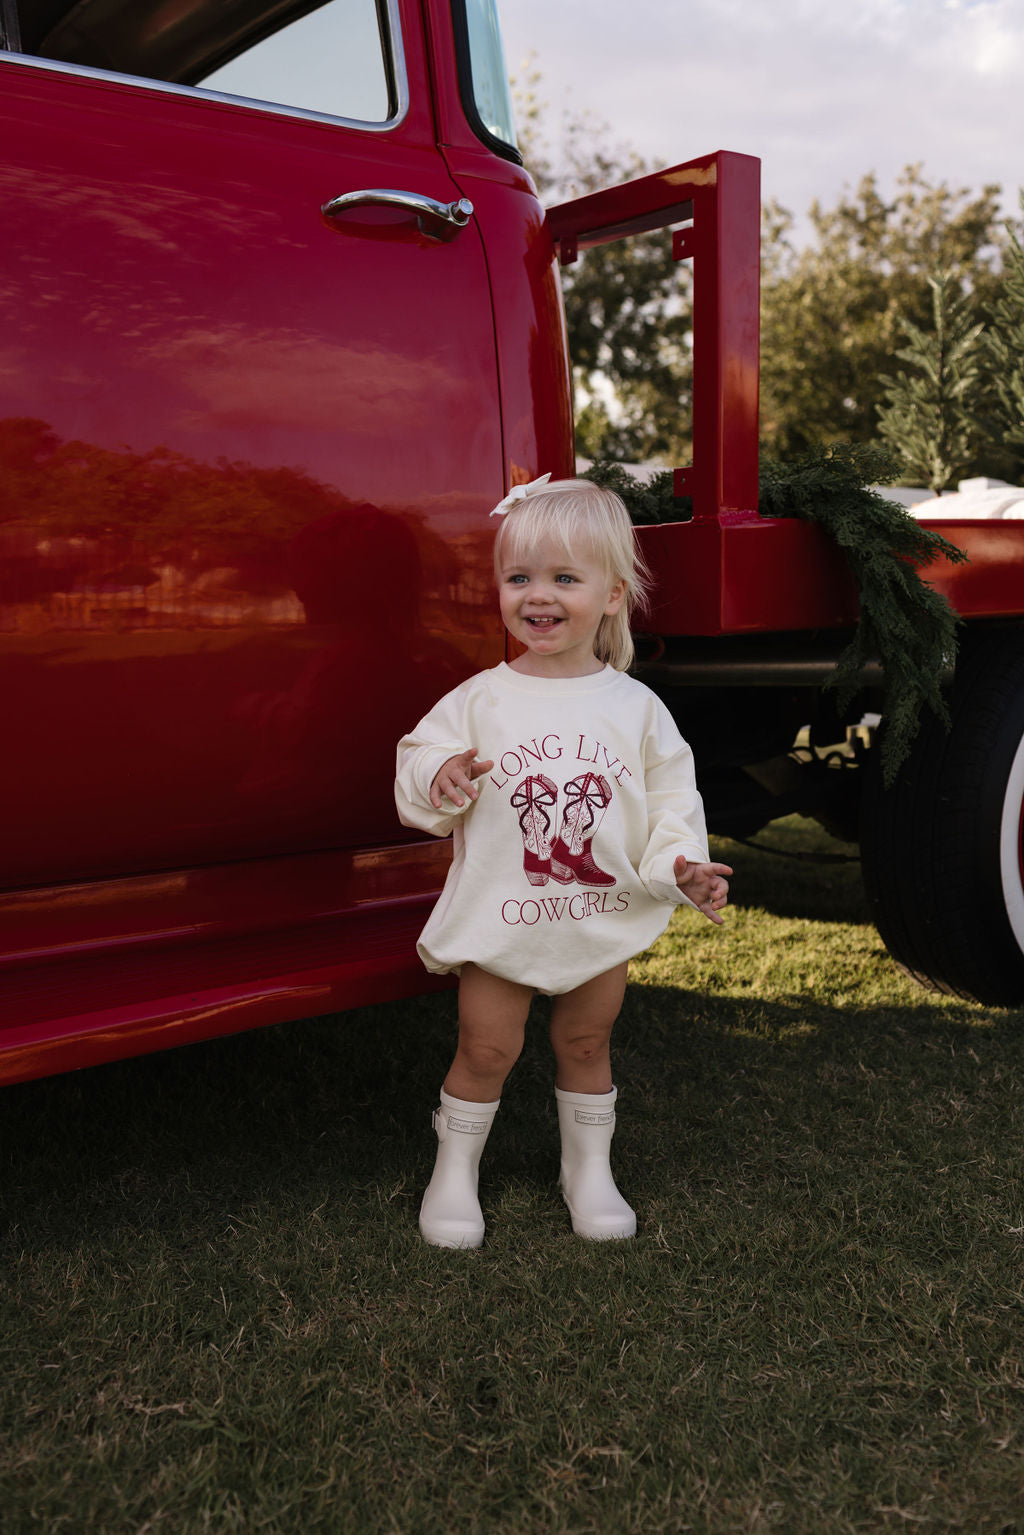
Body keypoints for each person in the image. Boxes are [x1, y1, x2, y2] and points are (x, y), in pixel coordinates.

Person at [394, 475, 731, 1248]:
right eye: (520, 578)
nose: (537, 596)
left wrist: (682, 865)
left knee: (586, 1042)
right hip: (505, 913)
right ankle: (454, 1170)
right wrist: (438, 777)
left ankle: (587, 1170)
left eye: (563, 579)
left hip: (598, 914)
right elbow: (422, 759)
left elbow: (670, 800)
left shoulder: (634, 708)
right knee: (485, 1046)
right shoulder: (481, 699)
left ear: (612, 595)